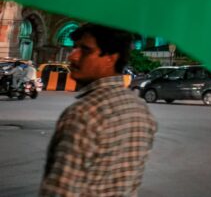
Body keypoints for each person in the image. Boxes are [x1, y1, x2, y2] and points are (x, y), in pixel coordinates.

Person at [40, 24, 157, 196]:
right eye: (74, 48)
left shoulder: (84, 114)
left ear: (111, 58)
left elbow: (60, 191)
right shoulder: (141, 110)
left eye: (85, 50)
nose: (73, 56)